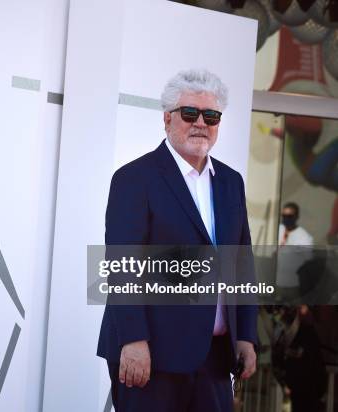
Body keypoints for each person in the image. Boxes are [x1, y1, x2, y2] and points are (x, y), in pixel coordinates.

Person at [97, 69, 258, 411]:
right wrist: (134, 339)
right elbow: (122, 265)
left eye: (211, 116)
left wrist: (245, 335)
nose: (201, 123)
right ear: (168, 119)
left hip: (214, 358)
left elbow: (242, 263)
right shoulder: (134, 179)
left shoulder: (231, 183)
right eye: (190, 113)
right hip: (153, 355)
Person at [276, 202, 314, 301]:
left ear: (296, 216)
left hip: (293, 284)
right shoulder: (278, 230)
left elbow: (308, 260)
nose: (286, 218)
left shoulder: (304, 236)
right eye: (283, 215)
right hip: (277, 282)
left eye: (289, 216)